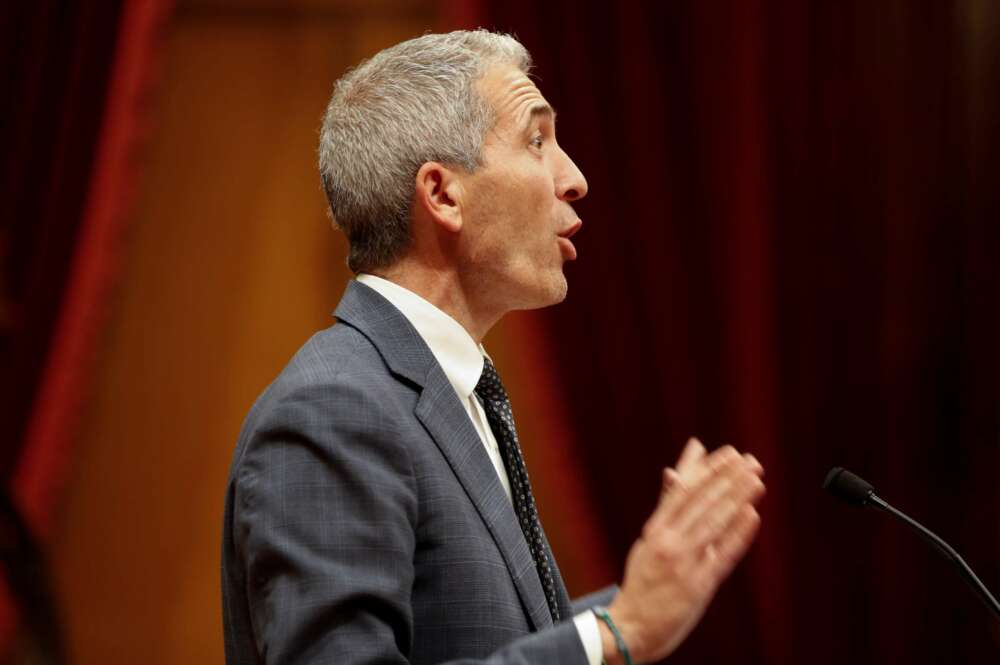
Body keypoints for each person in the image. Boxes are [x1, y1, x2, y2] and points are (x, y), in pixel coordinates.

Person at [221, 29, 765, 665]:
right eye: (537, 141)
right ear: (444, 194)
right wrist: (612, 636)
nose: (576, 178)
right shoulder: (332, 410)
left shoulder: (451, 393)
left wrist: (638, 608)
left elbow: (488, 641)